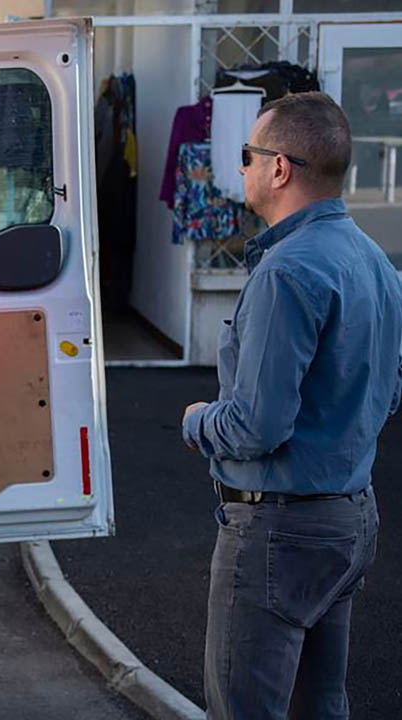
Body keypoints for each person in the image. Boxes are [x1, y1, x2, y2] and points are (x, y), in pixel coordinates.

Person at [181, 92, 402, 720]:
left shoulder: (287, 271)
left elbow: (255, 426)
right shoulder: (373, 260)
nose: (243, 168)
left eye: (248, 155)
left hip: (280, 532)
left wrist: (197, 421)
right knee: (322, 706)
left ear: (280, 168)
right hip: (350, 516)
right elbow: (391, 382)